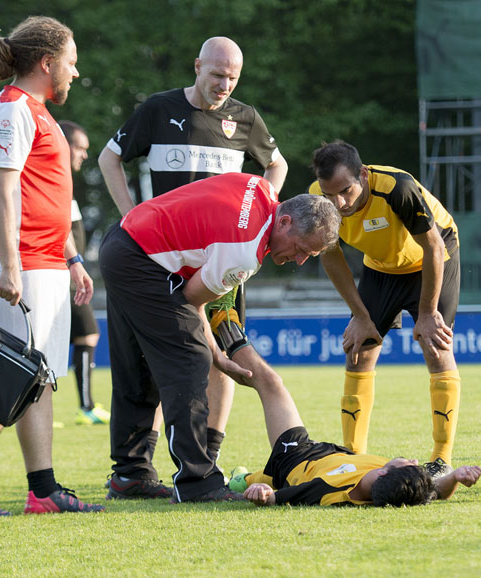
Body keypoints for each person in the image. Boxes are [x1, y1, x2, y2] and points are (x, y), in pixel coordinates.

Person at [97, 36, 289, 485]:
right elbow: (109, 158)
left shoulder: (245, 119)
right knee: (140, 362)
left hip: (219, 261)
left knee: (223, 352)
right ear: (197, 65)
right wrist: (131, 214)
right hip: (153, 257)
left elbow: (276, 165)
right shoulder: (159, 109)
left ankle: (210, 455)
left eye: (232, 77)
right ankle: (132, 469)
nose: (224, 84)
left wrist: (265, 206)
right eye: (217, 74)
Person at [0, 17, 103, 516]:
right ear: (47, 62)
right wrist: (11, 267)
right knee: (12, 377)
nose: (76, 73)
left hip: (46, 262)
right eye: (71, 63)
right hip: (20, 264)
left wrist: (72, 258)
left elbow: (43, 195)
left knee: (30, 377)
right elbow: (3, 191)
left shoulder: (36, 111)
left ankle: (15, 488)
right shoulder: (11, 111)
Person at [98, 172, 339, 503]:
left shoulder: (262, 188)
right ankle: (197, 483)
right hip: (143, 260)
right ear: (283, 222)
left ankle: (130, 474)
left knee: (139, 362)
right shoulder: (244, 252)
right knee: (191, 359)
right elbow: (193, 298)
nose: (298, 260)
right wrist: (217, 355)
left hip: (124, 240)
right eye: (301, 249)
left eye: (308, 257)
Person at [308, 141, 461, 479]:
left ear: (363, 174)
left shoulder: (398, 188)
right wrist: (360, 317)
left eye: (346, 191)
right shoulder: (319, 200)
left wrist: (427, 313)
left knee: (436, 347)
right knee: (358, 352)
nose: (339, 203)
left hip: (434, 256)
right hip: (381, 266)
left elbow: (433, 246)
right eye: (329, 194)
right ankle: (353, 458)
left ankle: (440, 458)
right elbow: (330, 256)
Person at [222, 344, 481, 507]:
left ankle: (225, 325)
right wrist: (455, 477)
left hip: (295, 457)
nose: (414, 460)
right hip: (325, 452)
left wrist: (264, 495)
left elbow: (283, 497)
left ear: (383, 473)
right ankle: (240, 479)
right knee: (246, 478)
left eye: (409, 464)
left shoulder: (333, 492)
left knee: (270, 383)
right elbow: (435, 492)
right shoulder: (396, 486)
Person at [58, 120, 111, 426]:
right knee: (86, 335)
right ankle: (85, 407)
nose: (83, 155)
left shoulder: (65, 182)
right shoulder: (54, 179)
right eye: (79, 147)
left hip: (69, 277)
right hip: (62, 278)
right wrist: (73, 263)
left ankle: (84, 405)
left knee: (83, 335)